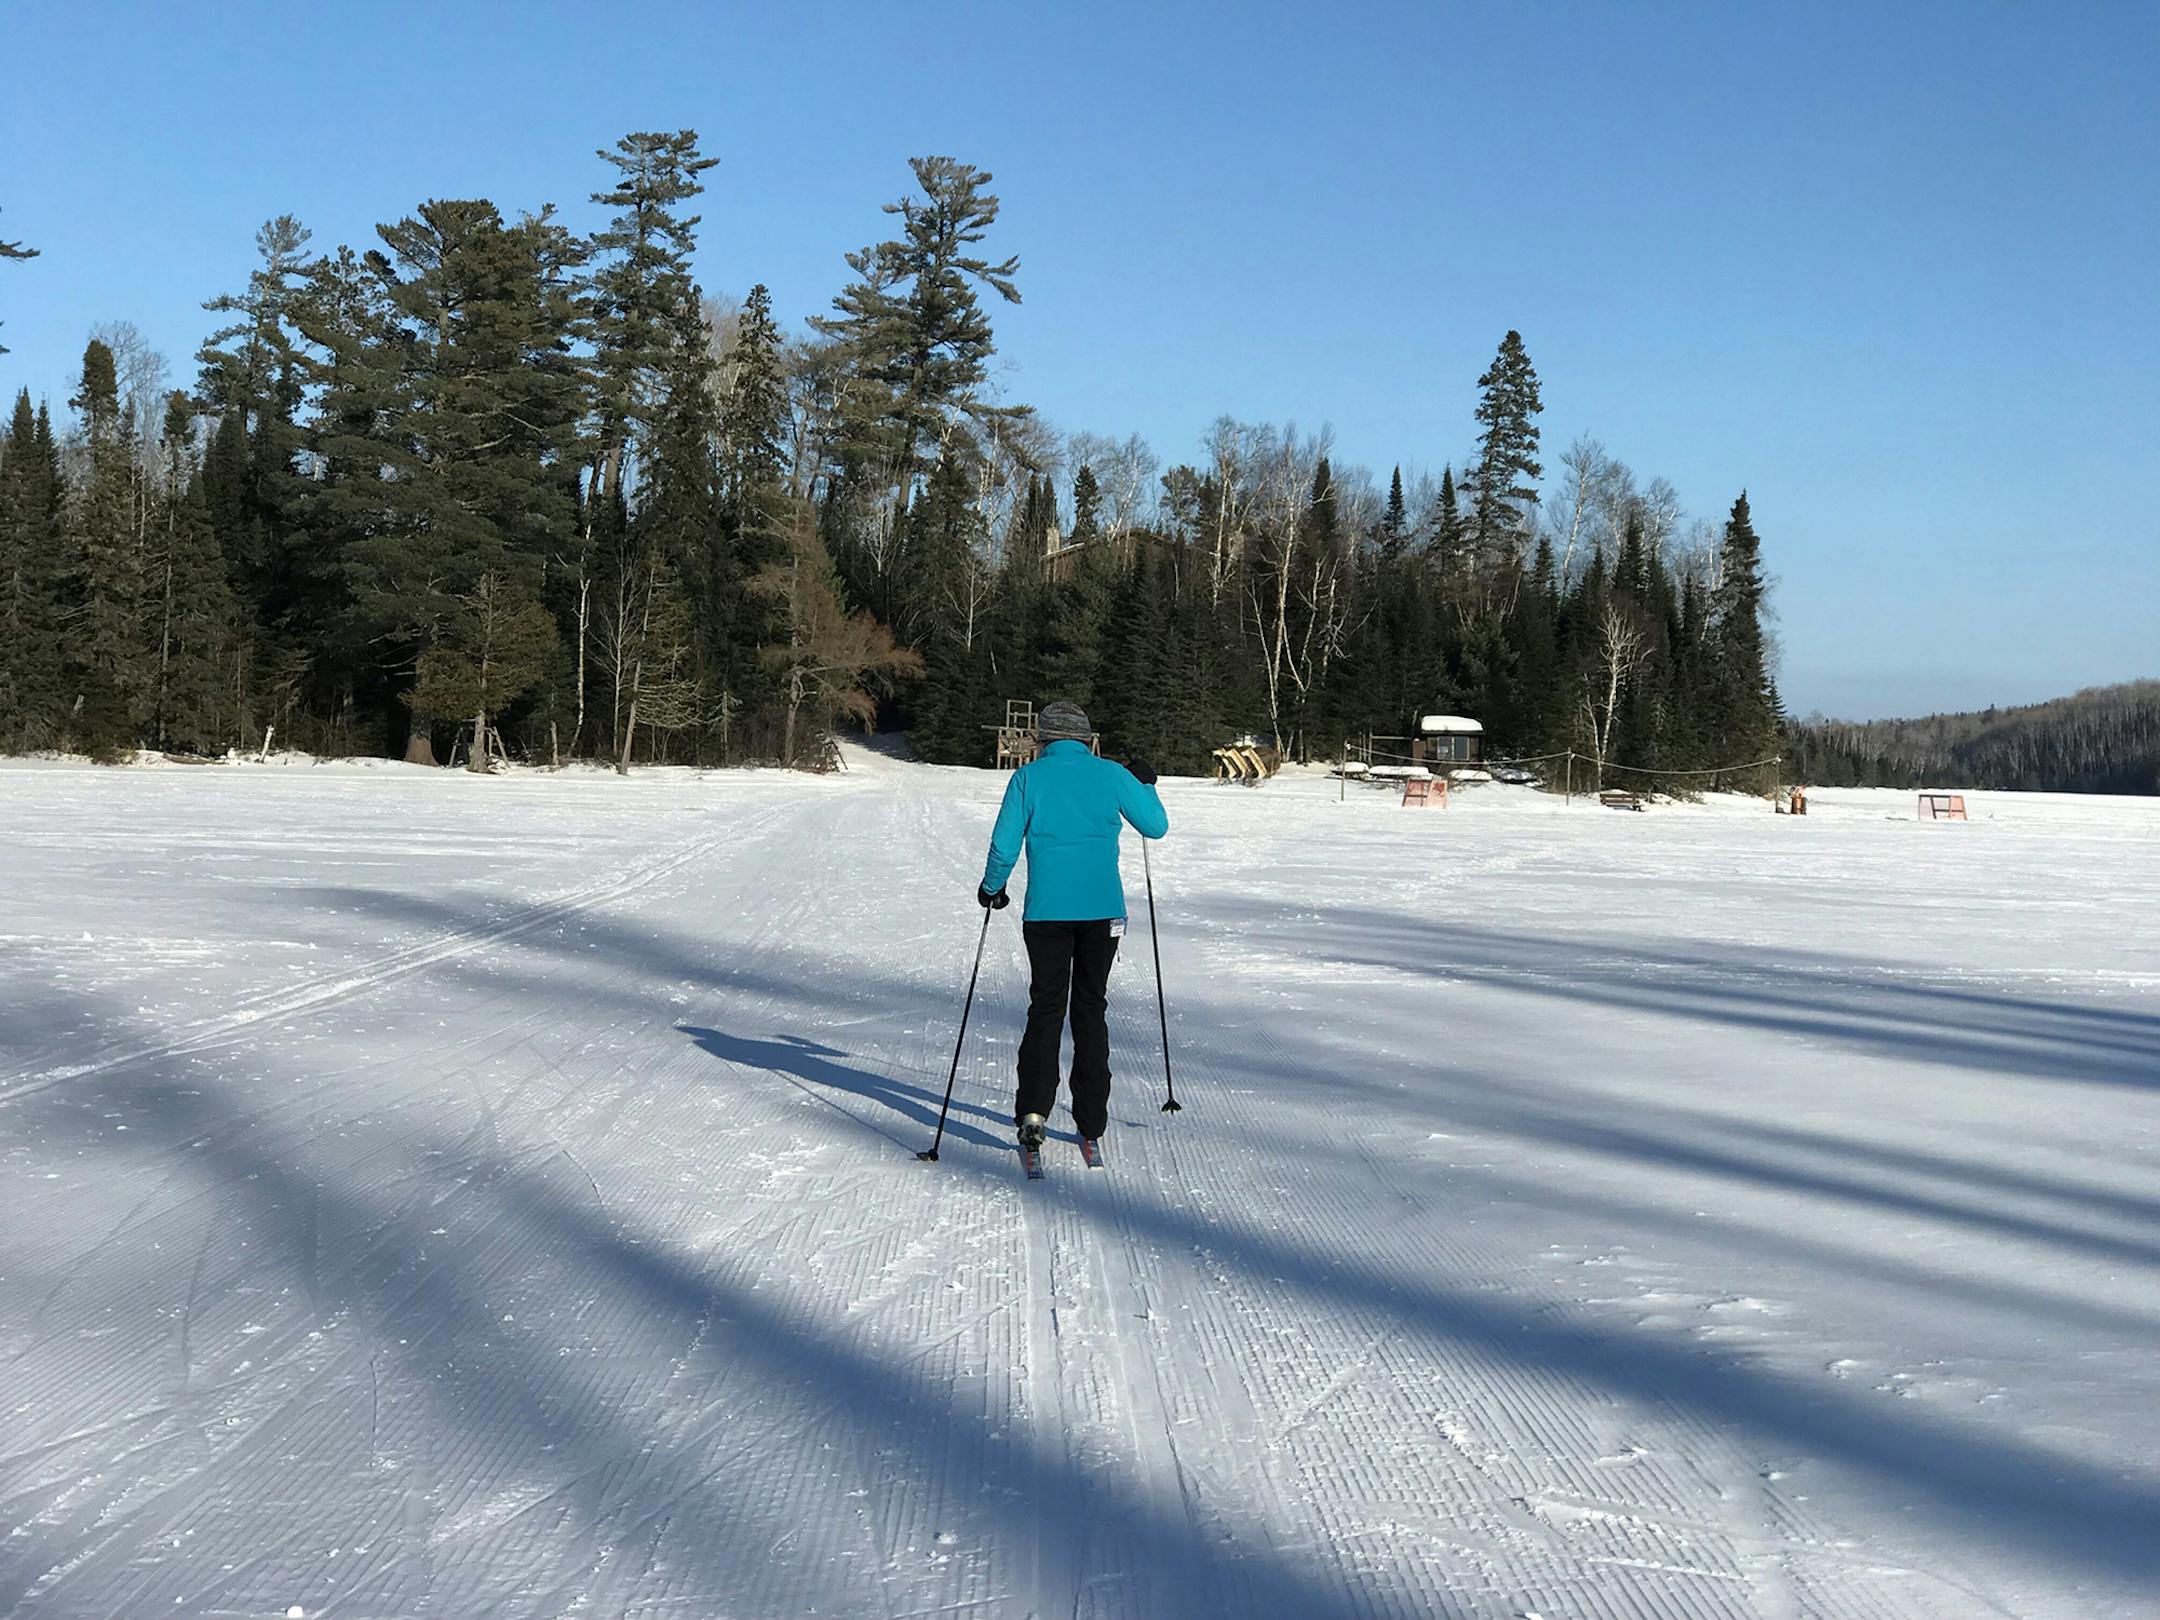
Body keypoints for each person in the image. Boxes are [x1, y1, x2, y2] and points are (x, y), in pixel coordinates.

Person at [978, 699, 1168, 1155]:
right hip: (1103, 913)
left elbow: (1005, 843)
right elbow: (1155, 826)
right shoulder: (1111, 774)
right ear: (1085, 738)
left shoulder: (1027, 778)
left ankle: (1034, 1112)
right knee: (1090, 1007)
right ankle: (1092, 1120)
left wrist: (992, 887)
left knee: (1045, 1007)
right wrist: (1147, 783)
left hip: (1046, 914)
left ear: (1043, 739)